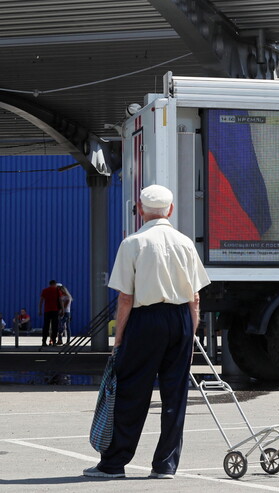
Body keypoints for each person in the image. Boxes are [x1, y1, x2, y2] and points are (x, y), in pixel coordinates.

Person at [83, 184, 210, 479]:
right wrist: (190, 335)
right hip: (179, 318)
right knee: (175, 394)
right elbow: (195, 297)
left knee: (131, 392)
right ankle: (165, 465)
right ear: (171, 210)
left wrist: (119, 339)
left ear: (140, 210)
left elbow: (125, 298)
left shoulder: (133, 243)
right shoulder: (185, 243)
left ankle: (114, 464)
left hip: (145, 320)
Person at [39, 280, 62, 347]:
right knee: (55, 326)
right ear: (55, 284)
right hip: (55, 310)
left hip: (47, 310)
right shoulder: (57, 291)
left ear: (49, 284)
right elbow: (60, 300)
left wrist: (40, 310)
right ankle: (54, 341)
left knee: (46, 326)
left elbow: (41, 301)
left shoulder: (45, 290)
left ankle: (44, 341)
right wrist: (62, 310)